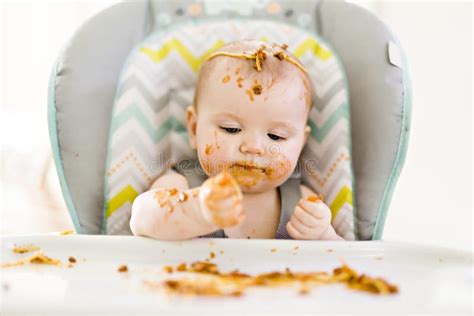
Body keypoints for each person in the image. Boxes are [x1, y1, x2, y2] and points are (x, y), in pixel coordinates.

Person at [130, 40, 343, 241]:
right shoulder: (181, 186)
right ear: (194, 128)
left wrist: (325, 235)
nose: (253, 147)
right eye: (231, 129)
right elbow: (142, 218)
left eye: (276, 136)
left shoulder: (302, 204)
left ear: (301, 143)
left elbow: (348, 258)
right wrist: (198, 211)